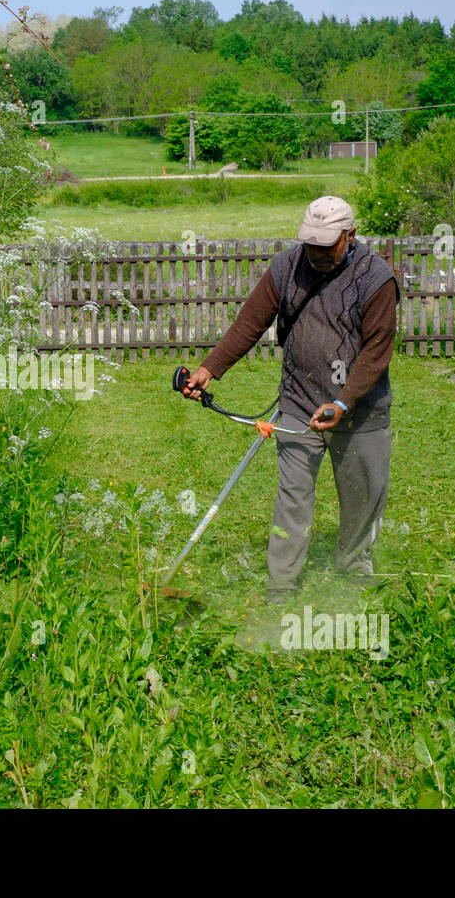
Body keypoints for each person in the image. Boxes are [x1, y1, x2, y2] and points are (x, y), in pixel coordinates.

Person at [180, 196, 400, 604]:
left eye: (326, 245)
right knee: (293, 493)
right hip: (299, 400)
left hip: (360, 409)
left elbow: (376, 352)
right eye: (310, 243)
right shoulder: (286, 267)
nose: (315, 253)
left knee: (362, 493)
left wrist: (345, 402)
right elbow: (250, 322)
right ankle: (282, 583)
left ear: (350, 236)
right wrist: (210, 369)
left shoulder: (376, 279)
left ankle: (354, 567)